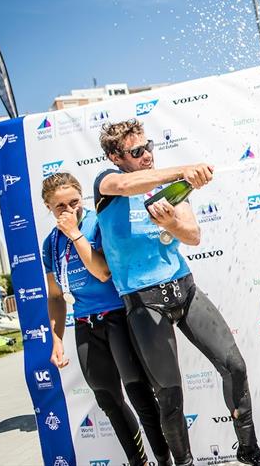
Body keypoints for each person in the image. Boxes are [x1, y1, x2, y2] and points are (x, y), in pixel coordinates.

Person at [94, 119, 260, 466]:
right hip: (145, 302)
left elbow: (192, 236)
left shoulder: (168, 186)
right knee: (170, 395)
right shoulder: (107, 182)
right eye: (137, 151)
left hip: (184, 289)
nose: (147, 155)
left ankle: (249, 451)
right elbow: (128, 185)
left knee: (234, 366)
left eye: (149, 147)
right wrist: (183, 171)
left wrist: (170, 222)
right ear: (116, 156)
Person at [40, 172, 171, 466]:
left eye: (74, 202)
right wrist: (56, 338)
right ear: (48, 208)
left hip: (118, 317)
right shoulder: (50, 244)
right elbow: (56, 296)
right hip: (85, 324)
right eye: (59, 207)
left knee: (140, 396)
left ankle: (165, 461)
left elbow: (102, 271)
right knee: (108, 400)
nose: (68, 211)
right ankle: (140, 463)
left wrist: (75, 234)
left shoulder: (96, 224)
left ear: (82, 197)